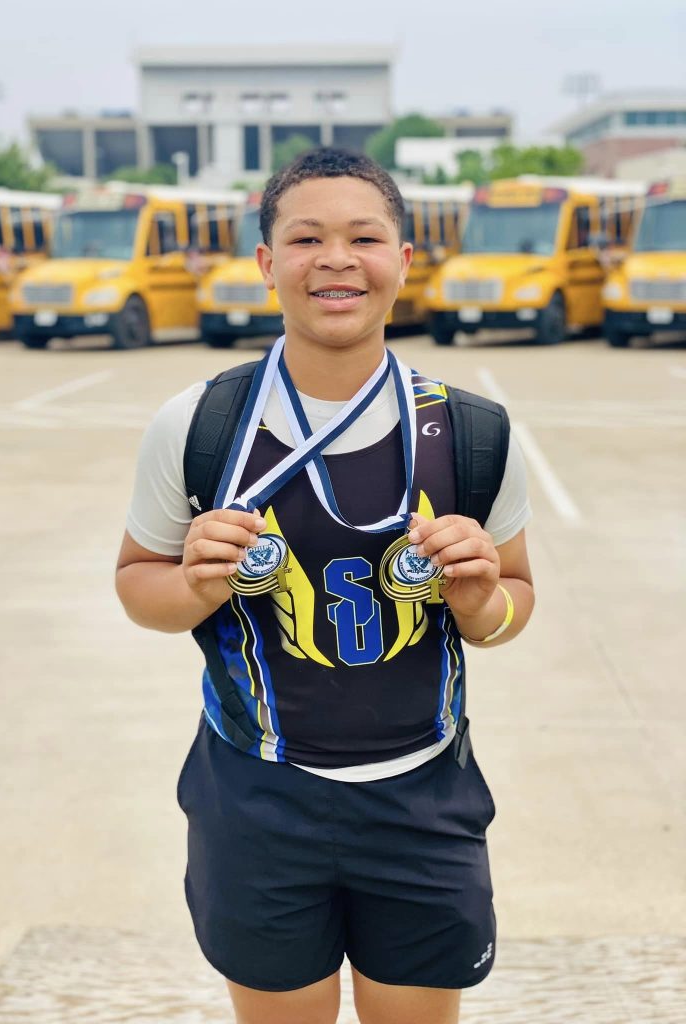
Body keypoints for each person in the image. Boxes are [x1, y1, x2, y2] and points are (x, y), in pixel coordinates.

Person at [116, 148, 535, 1024]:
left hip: (423, 790)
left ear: (404, 260)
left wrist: (479, 602)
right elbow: (136, 584)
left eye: (364, 238)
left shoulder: (471, 431)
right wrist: (195, 585)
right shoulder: (200, 424)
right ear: (266, 263)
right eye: (306, 238)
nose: (337, 259)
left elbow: (512, 605)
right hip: (255, 794)